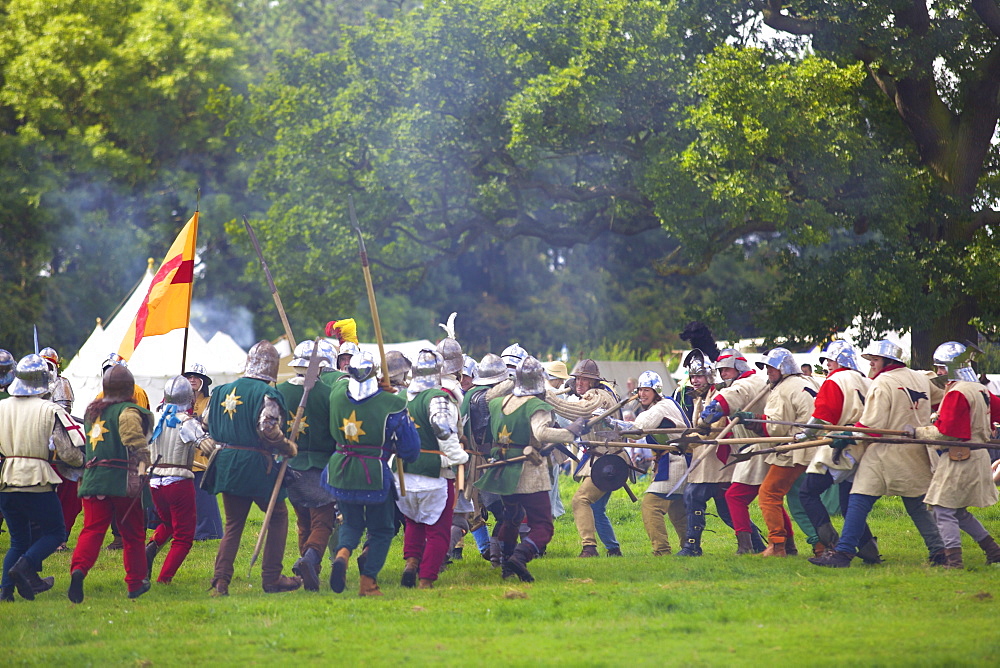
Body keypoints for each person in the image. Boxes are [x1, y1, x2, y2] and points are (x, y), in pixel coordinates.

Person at [810, 339, 944, 568]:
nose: (871, 365)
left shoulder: (883, 383)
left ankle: (843, 554)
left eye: (875, 360)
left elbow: (871, 426)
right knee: (916, 505)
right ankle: (940, 551)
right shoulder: (920, 377)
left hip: (884, 454)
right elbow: (941, 399)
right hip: (916, 453)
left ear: (888, 360)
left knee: (858, 500)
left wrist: (847, 435)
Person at [475, 356, 590, 581]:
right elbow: (542, 433)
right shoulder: (537, 405)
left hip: (503, 471)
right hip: (528, 472)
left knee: (512, 517)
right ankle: (519, 557)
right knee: (543, 526)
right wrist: (571, 432)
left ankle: (507, 567)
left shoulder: (499, 402)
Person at [203, 340, 302, 595]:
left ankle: (221, 581)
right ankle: (271, 578)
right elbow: (267, 428)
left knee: (234, 524)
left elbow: (205, 422)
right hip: (255, 465)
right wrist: (286, 446)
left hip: (226, 461)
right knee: (278, 515)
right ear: (272, 368)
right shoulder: (267, 394)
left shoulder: (221, 391)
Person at [323, 351, 420, 596]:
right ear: (375, 374)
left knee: (352, 522)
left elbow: (340, 381)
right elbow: (410, 450)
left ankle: (343, 554)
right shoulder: (393, 404)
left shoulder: (337, 393)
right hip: (373, 473)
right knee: (382, 530)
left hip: (341, 469)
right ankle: (368, 583)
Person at [0, 354, 84, 601]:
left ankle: (5, 592)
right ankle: (25, 567)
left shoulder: (1, 407)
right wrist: (83, 462)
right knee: (55, 532)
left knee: (18, 540)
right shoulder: (50, 409)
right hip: (35, 480)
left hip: (6, 481)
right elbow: (67, 450)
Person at [69, 364, 154, 602]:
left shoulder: (92, 412)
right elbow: (134, 442)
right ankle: (136, 583)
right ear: (129, 387)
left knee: (92, 529)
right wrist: (144, 466)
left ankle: (78, 570)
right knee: (133, 532)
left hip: (94, 478)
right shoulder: (127, 411)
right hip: (121, 480)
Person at [913, 342, 1000, 568]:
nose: (939, 373)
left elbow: (946, 433)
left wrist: (917, 432)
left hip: (961, 457)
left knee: (942, 509)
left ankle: (953, 561)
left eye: (941, 368)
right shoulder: (980, 389)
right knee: (957, 512)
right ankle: (994, 552)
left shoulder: (958, 391)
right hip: (976, 454)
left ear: (952, 366)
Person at [797, 340, 879, 561]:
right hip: (865, 446)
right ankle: (869, 549)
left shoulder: (836, 380)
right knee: (847, 503)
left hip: (843, 447)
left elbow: (824, 416)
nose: (827, 364)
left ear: (840, 360)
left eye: (830, 360)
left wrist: (805, 434)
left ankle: (831, 543)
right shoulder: (867, 381)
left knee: (807, 492)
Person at [397, 349, 469, 589]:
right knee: (438, 531)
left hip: (404, 473)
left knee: (414, 523)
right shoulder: (437, 398)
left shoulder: (403, 397)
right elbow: (443, 429)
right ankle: (426, 579)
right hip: (433, 474)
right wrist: (458, 456)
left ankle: (411, 562)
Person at [735, 348, 816, 557]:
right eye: (767, 368)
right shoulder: (808, 382)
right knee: (804, 499)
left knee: (769, 494)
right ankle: (820, 546)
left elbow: (775, 427)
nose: (768, 372)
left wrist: (752, 420)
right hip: (814, 448)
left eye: (772, 367)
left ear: (784, 368)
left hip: (795, 449)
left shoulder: (784, 389)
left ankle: (777, 545)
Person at [276, 339, 343, 591]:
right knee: (323, 522)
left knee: (304, 521)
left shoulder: (280, 390)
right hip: (320, 467)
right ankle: (309, 560)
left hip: (289, 466)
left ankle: (309, 575)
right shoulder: (329, 393)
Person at [605, 370, 690, 556]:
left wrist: (611, 422)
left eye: (647, 390)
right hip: (677, 460)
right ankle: (690, 548)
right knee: (677, 509)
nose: (642, 394)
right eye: (640, 390)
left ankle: (662, 550)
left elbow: (638, 429)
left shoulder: (660, 407)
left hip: (677, 460)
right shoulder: (665, 404)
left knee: (651, 506)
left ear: (656, 392)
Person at [546, 359, 625, 557]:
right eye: (577, 379)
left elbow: (580, 412)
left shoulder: (599, 396)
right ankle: (614, 550)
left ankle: (589, 548)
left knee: (580, 500)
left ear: (593, 382)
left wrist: (549, 399)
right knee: (596, 508)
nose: (579, 383)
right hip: (604, 458)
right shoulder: (595, 393)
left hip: (608, 460)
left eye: (584, 379)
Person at [144, 376, 216, 584]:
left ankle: (151, 547)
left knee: (168, 523)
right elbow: (208, 447)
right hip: (178, 483)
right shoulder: (187, 423)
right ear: (190, 398)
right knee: (184, 536)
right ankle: (164, 580)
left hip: (155, 482)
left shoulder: (154, 419)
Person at [700, 348, 770, 554]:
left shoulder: (745, 384)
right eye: (720, 371)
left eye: (727, 370)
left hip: (759, 447)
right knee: (771, 497)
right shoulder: (756, 381)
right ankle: (782, 543)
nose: (723, 374)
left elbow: (723, 402)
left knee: (735, 497)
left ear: (739, 367)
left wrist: (706, 419)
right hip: (760, 447)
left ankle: (748, 546)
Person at [673, 350, 739, 556]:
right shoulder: (698, 399)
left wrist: (691, 440)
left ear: (709, 376)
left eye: (699, 376)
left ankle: (692, 547)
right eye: (692, 376)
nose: (694, 380)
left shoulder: (717, 397)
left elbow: (717, 428)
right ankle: (754, 542)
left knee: (694, 496)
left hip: (715, 460)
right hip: (703, 460)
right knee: (726, 509)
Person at [461, 353, 509, 563]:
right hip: (484, 460)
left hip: (467, 457)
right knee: (498, 509)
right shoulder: (485, 399)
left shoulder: (466, 396)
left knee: (468, 510)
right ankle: (495, 551)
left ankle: (488, 548)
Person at [183, 364, 223, 542]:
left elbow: (213, 425)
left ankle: (209, 532)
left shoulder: (210, 401)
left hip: (202, 454)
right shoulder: (179, 401)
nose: (192, 379)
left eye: (196, 377)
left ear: (203, 381)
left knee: (203, 498)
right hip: (182, 455)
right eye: (189, 376)